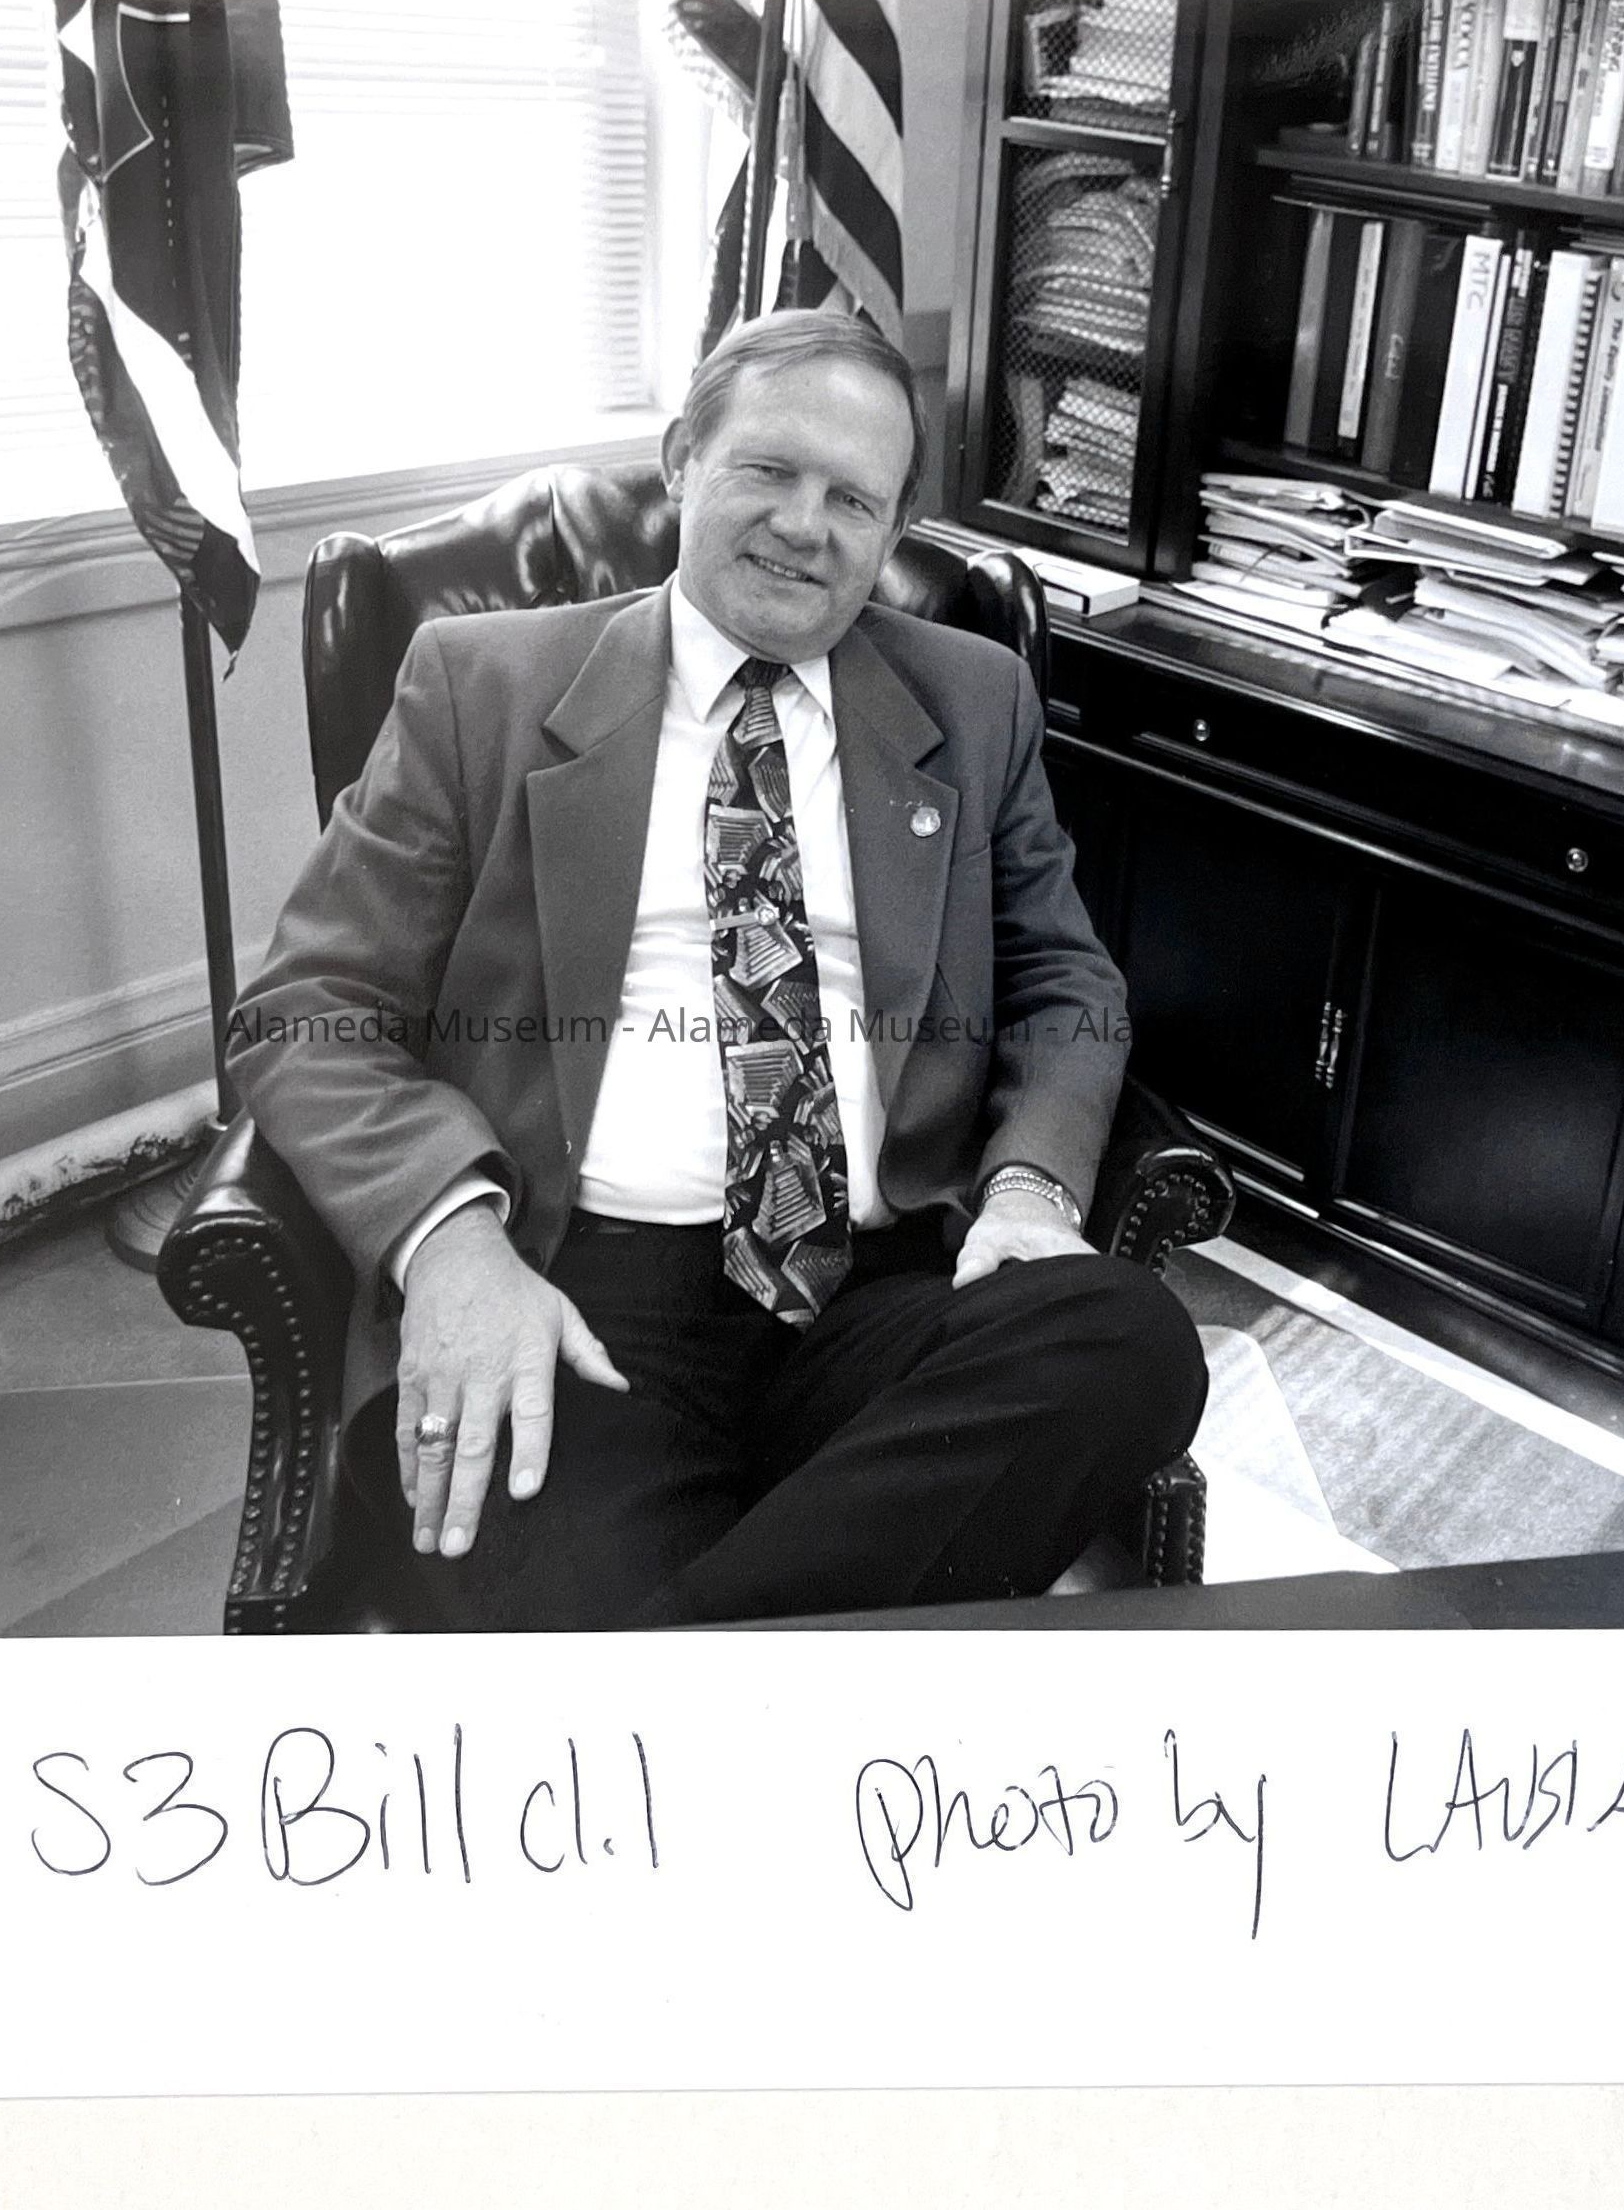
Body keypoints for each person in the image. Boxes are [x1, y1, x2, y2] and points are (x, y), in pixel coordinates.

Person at [228, 309, 1206, 1629]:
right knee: (545, 1545)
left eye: (853, 499)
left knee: (1131, 1341)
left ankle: (671, 1679)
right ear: (683, 461)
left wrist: (1029, 1191)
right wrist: (452, 1242)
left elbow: (1067, 988)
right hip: (577, 1287)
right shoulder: (483, 686)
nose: (807, 526)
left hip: (882, 1284)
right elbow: (309, 1011)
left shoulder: (975, 703)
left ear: (893, 528)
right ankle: (754, 1657)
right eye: (769, 470)